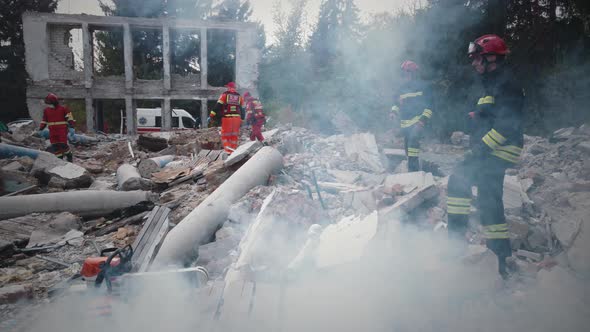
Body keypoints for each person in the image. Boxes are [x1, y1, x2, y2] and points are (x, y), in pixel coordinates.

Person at [446, 35, 524, 279]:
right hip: (491, 149)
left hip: (498, 149)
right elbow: (493, 115)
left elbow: (507, 125)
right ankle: (495, 255)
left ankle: (494, 258)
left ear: (491, 58)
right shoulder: (492, 84)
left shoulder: (506, 83)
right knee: (482, 196)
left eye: (476, 58)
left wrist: (480, 148)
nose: (474, 63)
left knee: (475, 191)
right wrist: (477, 116)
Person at [390, 60, 433, 172]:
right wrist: (393, 112)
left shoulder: (423, 87)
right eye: (404, 73)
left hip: (417, 123)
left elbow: (430, 106)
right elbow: (396, 104)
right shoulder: (401, 89)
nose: (405, 75)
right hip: (405, 126)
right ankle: (414, 172)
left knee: (413, 145)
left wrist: (423, 120)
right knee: (408, 150)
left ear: (414, 73)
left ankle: (413, 172)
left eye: (407, 73)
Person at [39, 93, 75, 162]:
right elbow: (44, 121)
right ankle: (59, 159)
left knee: (63, 145)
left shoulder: (63, 109)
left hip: (62, 130)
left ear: (54, 102)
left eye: (49, 103)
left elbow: (70, 118)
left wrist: (71, 127)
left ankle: (69, 156)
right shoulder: (46, 110)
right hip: (52, 131)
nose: (48, 105)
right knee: (55, 146)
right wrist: (41, 129)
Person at [214, 82, 245, 154]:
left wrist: (213, 113)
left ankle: (228, 151)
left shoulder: (224, 95)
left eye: (227, 87)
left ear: (229, 87)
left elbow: (218, 105)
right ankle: (232, 151)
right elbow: (243, 108)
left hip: (227, 118)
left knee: (225, 136)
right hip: (237, 119)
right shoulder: (240, 97)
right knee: (234, 136)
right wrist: (242, 118)